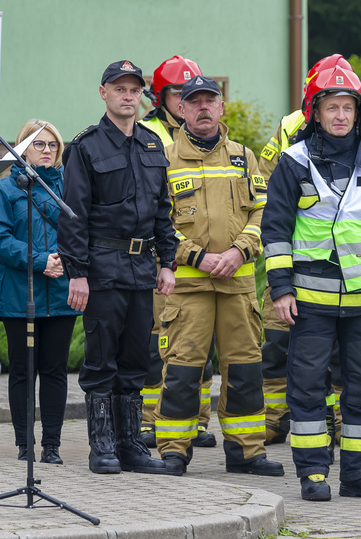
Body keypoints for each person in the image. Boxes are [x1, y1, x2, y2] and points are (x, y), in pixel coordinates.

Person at [262, 65, 361, 501]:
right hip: (309, 296)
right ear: (315, 111)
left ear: (359, 111)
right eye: (332, 107)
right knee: (307, 387)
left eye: (348, 107)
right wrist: (281, 289)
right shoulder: (294, 161)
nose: (341, 115)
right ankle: (312, 472)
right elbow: (275, 229)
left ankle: (359, 475)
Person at [154, 75, 283, 478]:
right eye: (194, 102)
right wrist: (198, 256)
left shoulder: (244, 156)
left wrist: (239, 250)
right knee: (182, 371)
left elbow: (265, 211)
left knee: (245, 370)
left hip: (237, 285)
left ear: (222, 107)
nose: (203, 108)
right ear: (182, 109)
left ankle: (247, 452)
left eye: (211, 100)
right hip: (189, 287)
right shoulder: (164, 158)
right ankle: (174, 451)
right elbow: (157, 219)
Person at [57, 60, 177, 476]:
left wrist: (168, 261)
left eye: (134, 90)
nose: (128, 97)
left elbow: (164, 209)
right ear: (103, 93)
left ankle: (131, 446)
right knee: (101, 359)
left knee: (137, 359)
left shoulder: (151, 145)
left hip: (143, 268)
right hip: (103, 267)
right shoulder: (86, 147)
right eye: (120, 89)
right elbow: (73, 215)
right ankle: (102, 445)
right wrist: (77, 272)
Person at [0, 119, 80, 464]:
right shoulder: (6, 190)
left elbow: (79, 232)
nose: (46, 151)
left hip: (60, 292)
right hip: (18, 293)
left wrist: (62, 262)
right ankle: (24, 444)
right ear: (22, 147)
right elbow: (1, 240)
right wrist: (42, 260)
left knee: (55, 370)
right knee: (24, 371)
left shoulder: (69, 187)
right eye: (38, 144)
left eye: (53, 145)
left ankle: (52, 445)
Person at [138, 55, 216, 449]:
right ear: (162, 97)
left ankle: (198, 422)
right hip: (161, 256)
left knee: (200, 349)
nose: (185, 100)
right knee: (160, 343)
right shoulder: (146, 131)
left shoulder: (208, 131)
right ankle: (152, 420)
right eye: (174, 93)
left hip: (205, 261)